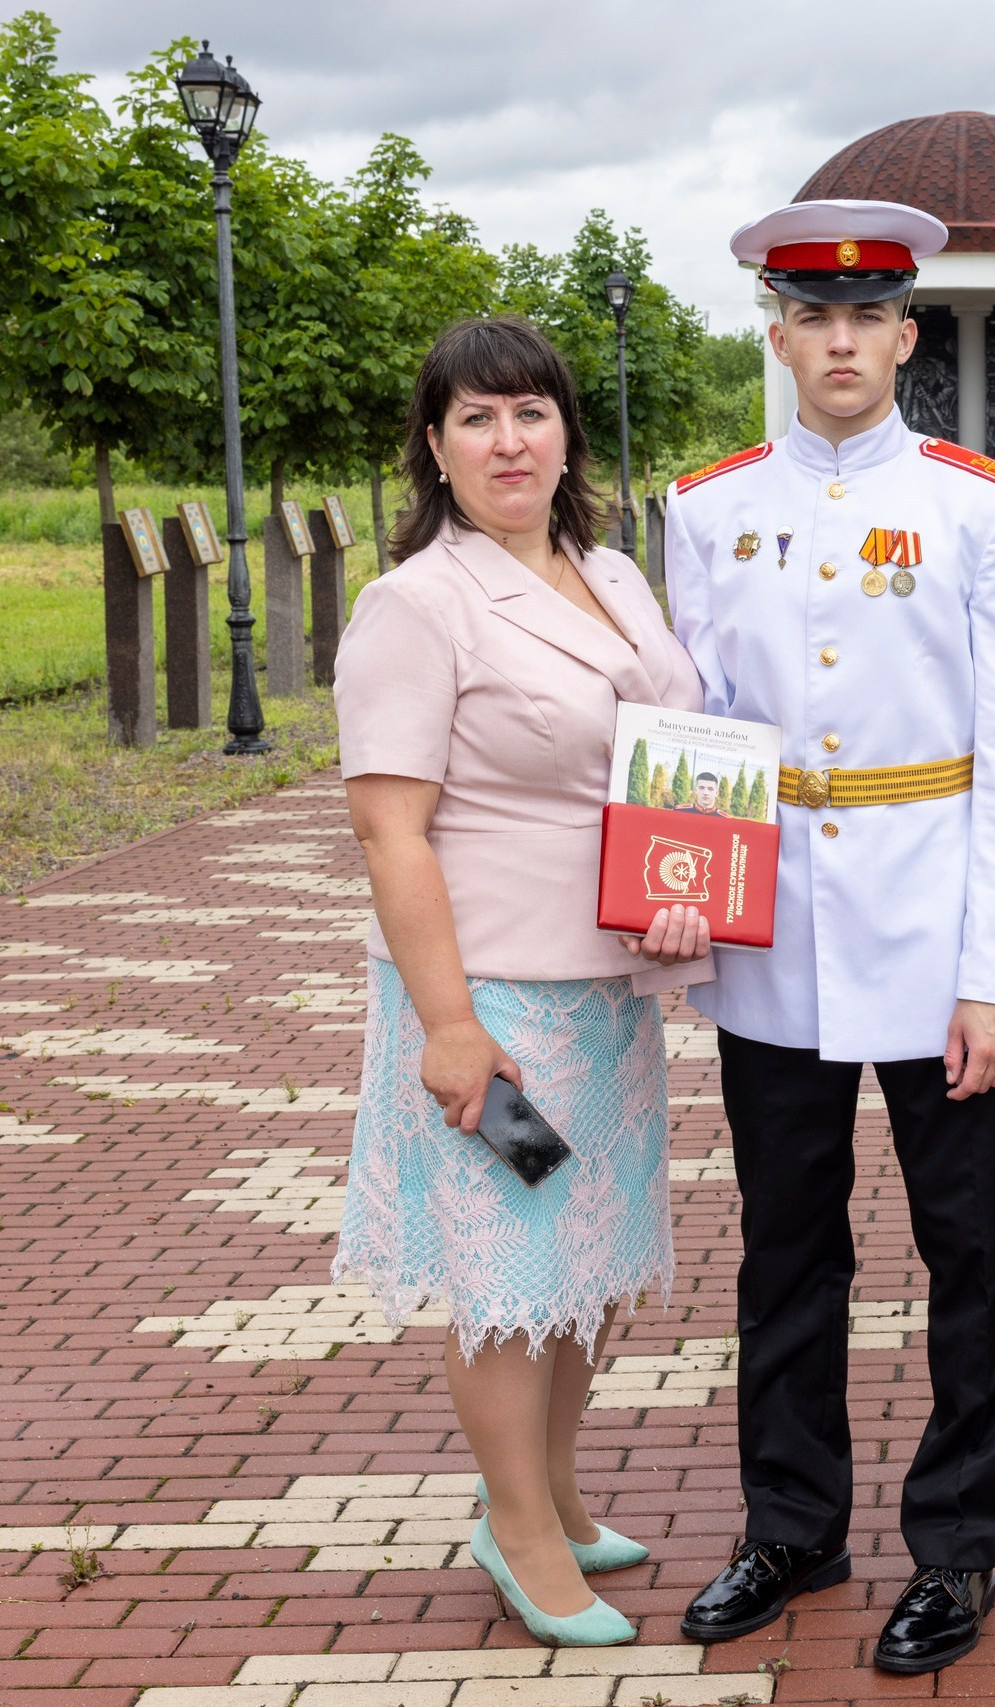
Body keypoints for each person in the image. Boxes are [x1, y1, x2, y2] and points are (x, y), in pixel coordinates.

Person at [663, 198, 995, 1676]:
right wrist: (682, 913)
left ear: (906, 334)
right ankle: (792, 1525)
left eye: (866, 317)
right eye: (810, 316)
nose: (839, 341)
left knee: (972, 1259)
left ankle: (955, 1549)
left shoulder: (981, 503)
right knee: (785, 1250)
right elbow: (691, 723)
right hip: (773, 946)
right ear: (777, 332)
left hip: (937, 934)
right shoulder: (707, 508)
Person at [331, 316, 713, 1648]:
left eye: (531, 413)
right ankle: (521, 1533)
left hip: (606, 990)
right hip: (491, 1001)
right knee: (513, 1266)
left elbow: (668, 750)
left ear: (566, 435)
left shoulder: (609, 571)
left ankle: (556, 1487)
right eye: (477, 418)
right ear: (435, 447)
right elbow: (391, 829)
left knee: (590, 1264)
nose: (509, 440)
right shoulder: (416, 604)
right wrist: (448, 1027)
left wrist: (691, 896)